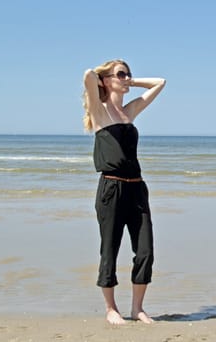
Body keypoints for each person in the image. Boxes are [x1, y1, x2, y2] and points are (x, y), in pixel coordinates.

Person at [82, 59, 166, 324]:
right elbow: (87, 75)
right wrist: (100, 78)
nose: (127, 77)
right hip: (111, 188)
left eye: (128, 73)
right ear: (106, 79)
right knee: (110, 249)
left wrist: (130, 80)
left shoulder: (128, 112)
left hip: (137, 189)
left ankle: (137, 309)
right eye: (121, 73)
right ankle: (110, 309)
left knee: (145, 251)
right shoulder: (99, 110)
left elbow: (160, 83)